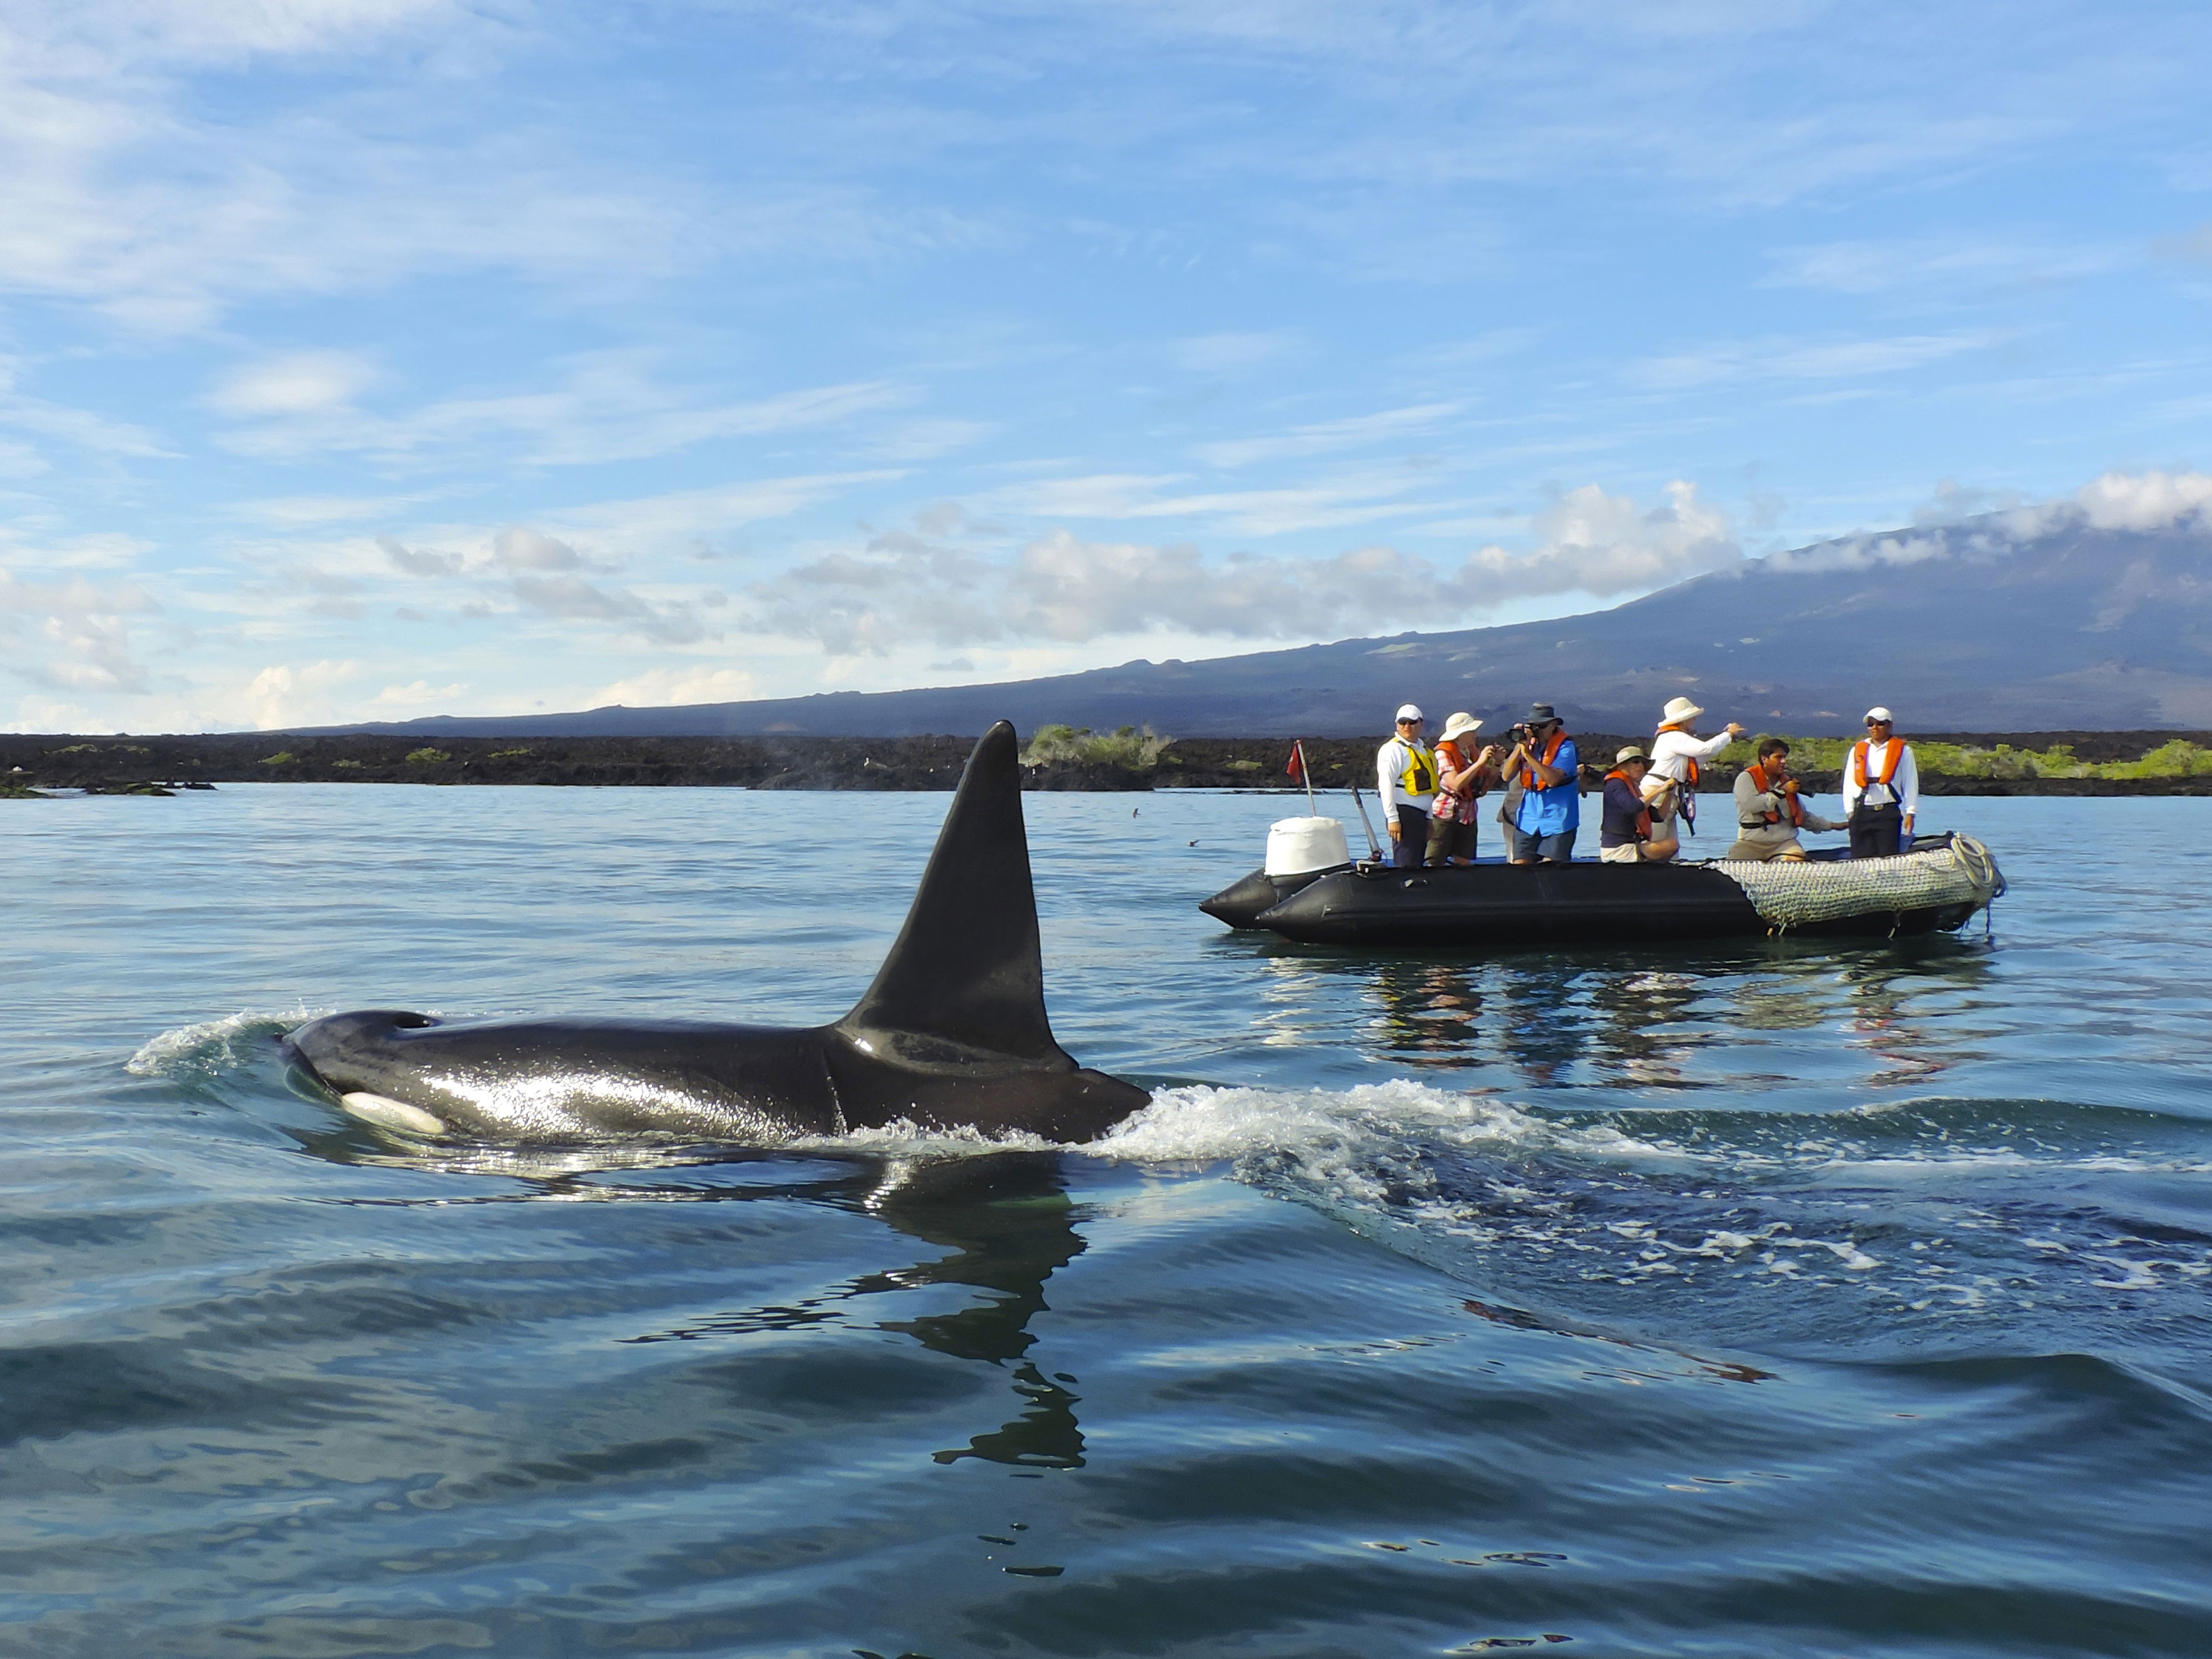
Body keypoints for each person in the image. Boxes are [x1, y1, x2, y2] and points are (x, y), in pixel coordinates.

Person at [1644, 696, 1745, 842]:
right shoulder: (1673, 736)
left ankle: (1668, 863)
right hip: (1659, 792)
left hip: (1667, 793)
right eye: (1693, 717)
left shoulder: (1672, 737)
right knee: (1658, 841)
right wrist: (1728, 734)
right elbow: (1705, 749)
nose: (1695, 720)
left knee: (1669, 843)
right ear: (1684, 720)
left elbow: (1702, 756)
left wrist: (1726, 738)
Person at [1726, 738, 1842, 860]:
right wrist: (1781, 792)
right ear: (1764, 759)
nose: (1784, 761)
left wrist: (1833, 826)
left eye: (1785, 757)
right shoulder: (1746, 779)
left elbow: (1803, 817)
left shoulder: (1788, 782)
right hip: (1751, 843)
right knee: (1731, 867)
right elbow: (1752, 805)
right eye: (1778, 757)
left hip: (1784, 843)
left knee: (1796, 860)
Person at [1499, 703, 1579, 864]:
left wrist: (1529, 757)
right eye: (1534, 726)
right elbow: (1506, 776)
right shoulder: (1528, 745)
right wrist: (1519, 747)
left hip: (1558, 819)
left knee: (1551, 868)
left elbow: (1553, 779)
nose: (1538, 731)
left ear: (1554, 725)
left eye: (1542, 726)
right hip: (1528, 819)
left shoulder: (1566, 747)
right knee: (1520, 865)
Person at [1842, 706, 1919, 857]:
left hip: (1888, 812)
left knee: (1888, 857)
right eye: (1871, 724)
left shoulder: (1904, 751)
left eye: (1880, 724)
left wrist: (1911, 812)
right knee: (1860, 858)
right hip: (1862, 811)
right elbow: (1849, 782)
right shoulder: (1858, 750)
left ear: (1890, 725)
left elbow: (1911, 781)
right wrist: (1850, 811)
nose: (1875, 728)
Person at [1425, 712, 1497, 867]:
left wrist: (1496, 764)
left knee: (1464, 861)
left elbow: (1483, 789)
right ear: (1461, 734)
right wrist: (1479, 764)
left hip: (1468, 816)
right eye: (1472, 731)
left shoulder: (1471, 753)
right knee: (1435, 861)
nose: (1475, 735)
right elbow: (1455, 784)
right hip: (1444, 815)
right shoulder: (1443, 754)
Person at [1375, 703, 1439, 869]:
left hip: (1422, 816)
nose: (1407, 727)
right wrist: (1393, 819)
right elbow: (1386, 785)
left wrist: (1430, 818)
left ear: (1421, 724)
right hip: (1404, 814)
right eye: (1402, 722)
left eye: (1412, 722)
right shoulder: (1392, 750)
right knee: (1406, 864)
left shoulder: (1424, 751)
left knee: (1417, 863)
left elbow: (1430, 789)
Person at [1599, 747, 1681, 864]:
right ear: (1622, 766)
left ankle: (1654, 872)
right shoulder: (1616, 785)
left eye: (1643, 763)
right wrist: (1661, 789)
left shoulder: (1633, 788)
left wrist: (1669, 793)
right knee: (1672, 845)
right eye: (1636, 762)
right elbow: (1634, 807)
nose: (1641, 766)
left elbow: (1659, 816)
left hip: (1634, 845)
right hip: (1619, 849)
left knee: (1670, 846)